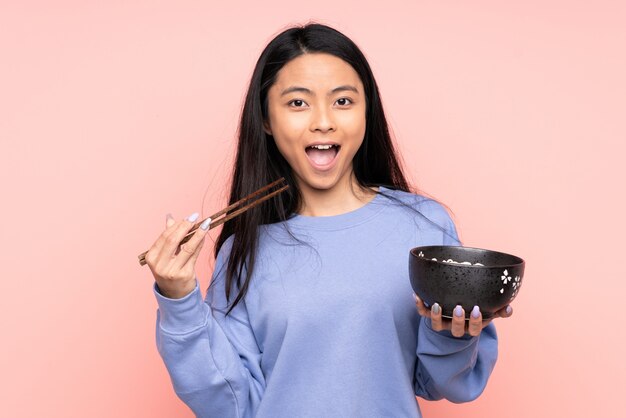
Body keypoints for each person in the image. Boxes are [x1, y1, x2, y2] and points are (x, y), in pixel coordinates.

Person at [143, 22, 512, 418]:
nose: (323, 121)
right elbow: (232, 404)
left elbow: (442, 384)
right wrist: (179, 298)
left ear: (367, 111)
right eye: (298, 103)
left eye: (343, 101)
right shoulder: (243, 251)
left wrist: (452, 336)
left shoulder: (424, 226)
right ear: (266, 119)